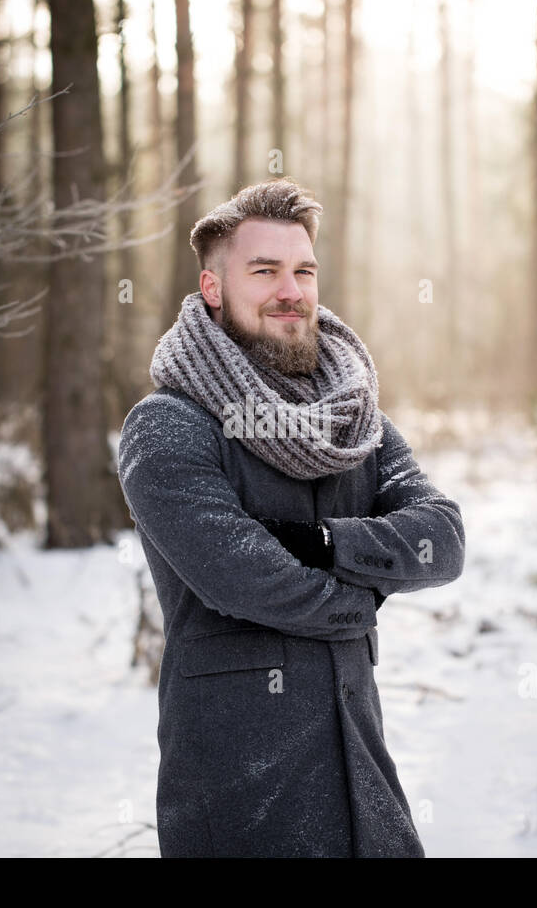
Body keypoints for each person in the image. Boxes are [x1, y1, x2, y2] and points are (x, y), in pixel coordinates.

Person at [117, 177, 465, 857]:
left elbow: (442, 538)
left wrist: (326, 542)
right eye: (264, 271)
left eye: (303, 270)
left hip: (366, 786)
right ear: (212, 288)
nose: (291, 290)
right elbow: (241, 577)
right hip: (241, 794)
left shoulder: (352, 422)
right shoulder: (167, 426)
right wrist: (361, 601)